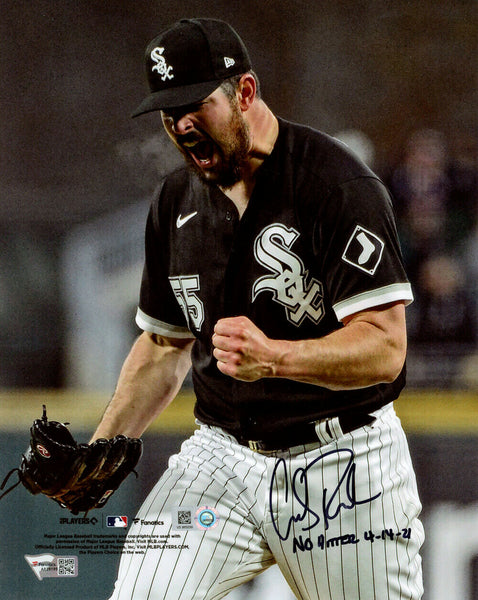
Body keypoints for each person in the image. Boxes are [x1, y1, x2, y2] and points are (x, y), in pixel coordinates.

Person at [92, 18, 424, 600]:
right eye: (168, 113)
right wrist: (102, 450)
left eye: (195, 105)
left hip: (341, 461)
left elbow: (385, 346)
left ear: (245, 92)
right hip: (220, 457)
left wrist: (274, 358)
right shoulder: (174, 200)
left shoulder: (335, 183)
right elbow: (164, 344)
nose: (181, 125)